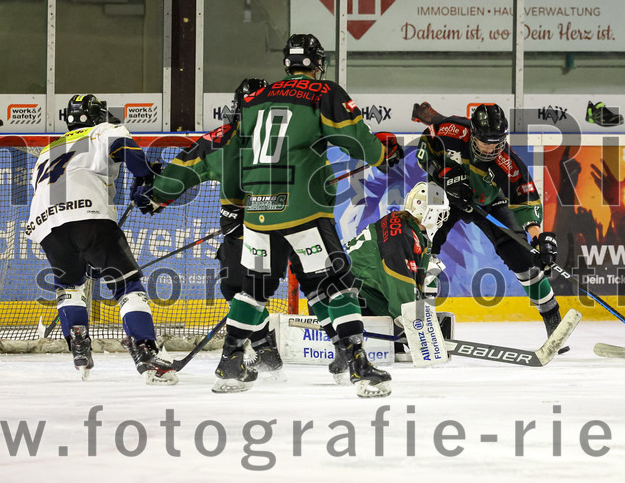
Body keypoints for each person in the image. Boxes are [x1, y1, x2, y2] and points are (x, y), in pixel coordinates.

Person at [214, 33, 403, 397]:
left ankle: (229, 364)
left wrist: (237, 203)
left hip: (258, 211)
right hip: (302, 208)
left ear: (286, 63)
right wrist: (381, 156)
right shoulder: (322, 92)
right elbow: (354, 136)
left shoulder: (254, 99)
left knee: (254, 291)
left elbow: (232, 154)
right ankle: (358, 365)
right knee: (338, 286)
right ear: (317, 63)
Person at [132, 78, 286, 374]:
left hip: (241, 226)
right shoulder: (286, 132)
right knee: (243, 289)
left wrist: (156, 195)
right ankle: (267, 347)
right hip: (280, 225)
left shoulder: (224, 136)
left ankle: (242, 355)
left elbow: (187, 168)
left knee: (241, 289)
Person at [24, 94, 178, 384]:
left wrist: (84, 253)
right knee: (127, 285)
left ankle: (78, 342)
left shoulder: (46, 151)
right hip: (90, 215)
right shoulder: (104, 130)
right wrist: (146, 178)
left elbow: (52, 191)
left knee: (69, 286)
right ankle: (144, 349)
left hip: (47, 223)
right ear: (98, 116)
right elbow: (125, 148)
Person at [416, 103, 565, 336]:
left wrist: (538, 237)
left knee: (522, 256)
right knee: (425, 247)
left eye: (497, 141)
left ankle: (554, 321)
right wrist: (445, 174)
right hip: (442, 193)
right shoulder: (452, 131)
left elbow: (524, 198)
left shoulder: (508, 161)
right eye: (485, 141)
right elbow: (425, 148)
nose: (491, 147)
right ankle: (421, 320)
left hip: (488, 200)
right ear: (473, 133)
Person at [309, 182, 452, 383]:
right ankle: (346, 346)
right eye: (439, 213)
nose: (441, 220)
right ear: (427, 213)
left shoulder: (404, 227)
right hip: (341, 303)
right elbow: (399, 282)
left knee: (430, 271)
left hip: (351, 292)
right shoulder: (399, 235)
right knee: (421, 285)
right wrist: (417, 331)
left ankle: (382, 340)